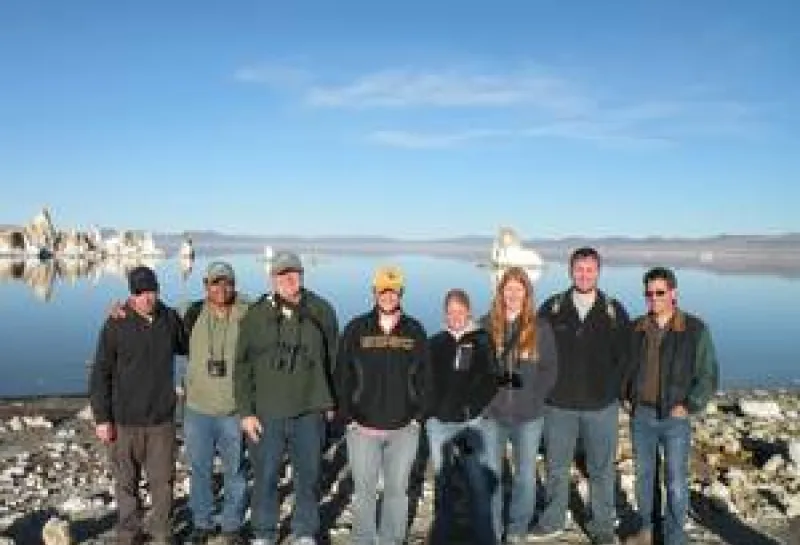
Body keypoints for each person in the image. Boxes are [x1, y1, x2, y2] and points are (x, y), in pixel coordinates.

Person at [235, 250, 339, 545]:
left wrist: (331, 400)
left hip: (310, 410)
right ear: (272, 278)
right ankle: (264, 532)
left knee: (309, 475)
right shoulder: (256, 315)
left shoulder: (321, 310)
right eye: (282, 274)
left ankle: (305, 531)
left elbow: (334, 358)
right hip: (267, 412)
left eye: (293, 273)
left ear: (302, 275)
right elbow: (242, 366)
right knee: (266, 476)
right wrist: (246, 412)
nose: (289, 279)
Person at [530, 247, 630, 545]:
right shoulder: (552, 308)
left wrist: (614, 391)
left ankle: (602, 526)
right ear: (570, 271)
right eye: (579, 269)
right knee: (556, 466)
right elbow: (536, 352)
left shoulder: (613, 311)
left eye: (590, 269)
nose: (584, 275)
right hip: (558, 406)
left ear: (598, 272)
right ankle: (553, 521)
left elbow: (626, 358)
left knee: (601, 469)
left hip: (601, 407)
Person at [89, 265, 187, 545]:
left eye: (152, 291)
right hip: (124, 422)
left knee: (163, 482)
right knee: (126, 484)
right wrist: (102, 419)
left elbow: (188, 344)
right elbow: (100, 373)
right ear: (131, 295)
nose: (147, 298)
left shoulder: (169, 319)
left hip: (161, 421)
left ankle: (161, 532)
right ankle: (129, 533)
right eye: (140, 292)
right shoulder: (115, 324)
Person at [334, 265, 431, 545]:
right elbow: (342, 375)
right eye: (383, 291)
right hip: (362, 428)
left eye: (394, 291)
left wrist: (419, 417)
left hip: (404, 429)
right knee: (364, 491)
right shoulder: (356, 329)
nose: (388, 296)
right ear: (374, 293)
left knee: (397, 491)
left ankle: (392, 539)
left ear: (401, 293)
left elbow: (426, 378)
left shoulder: (414, 330)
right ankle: (363, 539)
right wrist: (348, 416)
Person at [622, 267, 719, 545]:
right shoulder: (637, 328)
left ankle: (675, 537)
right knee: (644, 479)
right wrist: (624, 396)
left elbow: (708, 374)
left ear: (673, 293)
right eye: (649, 293)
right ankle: (648, 530)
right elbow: (623, 366)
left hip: (674, 417)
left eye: (660, 292)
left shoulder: (694, 329)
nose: (654, 298)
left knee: (676, 481)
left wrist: (690, 404)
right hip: (642, 415)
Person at [482, 267, 559, 544]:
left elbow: (550, 370)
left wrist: (534, 398)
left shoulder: (540, 328)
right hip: (492, 416)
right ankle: (492, 530)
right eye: (508, 289)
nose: (513, 294)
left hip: (529, 417)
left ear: (527, 293)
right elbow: (474, 369)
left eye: (518, 289)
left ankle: (517, 530)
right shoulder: (486, 326)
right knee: (491, 475)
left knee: (525, 476)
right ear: (500, 292)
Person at [181, 262, 250, 545]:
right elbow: (152, 313)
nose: (221, 288)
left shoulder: (246, 313)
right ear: (205, 285)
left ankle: (232, 525)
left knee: (235, 471)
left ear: (235, 285)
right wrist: (122, 307)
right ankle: (202, 523)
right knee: (200, 470)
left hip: (233, 411)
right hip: (198, 410)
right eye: (215, 282)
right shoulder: (190, 312)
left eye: (227, 283)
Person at [426, 288, 498, 545]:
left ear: (468, 312)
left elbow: (491, 379)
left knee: (477, 482)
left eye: (460, 311)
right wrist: (430, 410)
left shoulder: (482, 341)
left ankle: (485, 538)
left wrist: (473, 407)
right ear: (445, 314)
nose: (455, 316)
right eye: (450, 312)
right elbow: (424, 381)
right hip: (440, 425)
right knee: (442, 482)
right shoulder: (435, 342)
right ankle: (442, 536)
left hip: (470, 425)